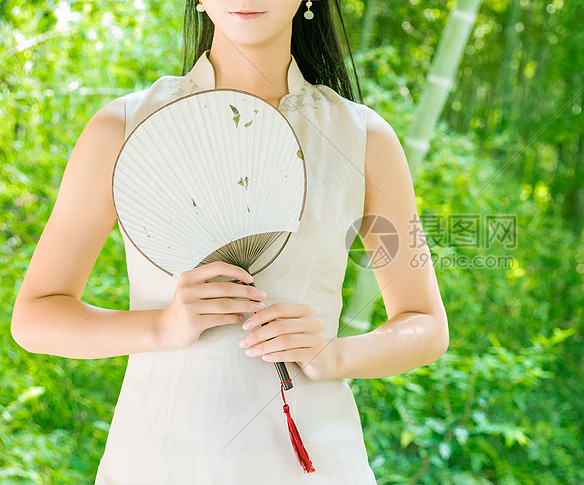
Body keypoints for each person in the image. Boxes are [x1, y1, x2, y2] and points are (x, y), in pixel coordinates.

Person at [10, 0, 449, 483]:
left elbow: (425, 322)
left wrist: (334, 354)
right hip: (158, 462)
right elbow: (35, 317)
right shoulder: (124, 128)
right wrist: (163, 326)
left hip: (315, 463)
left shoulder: (362, 137)